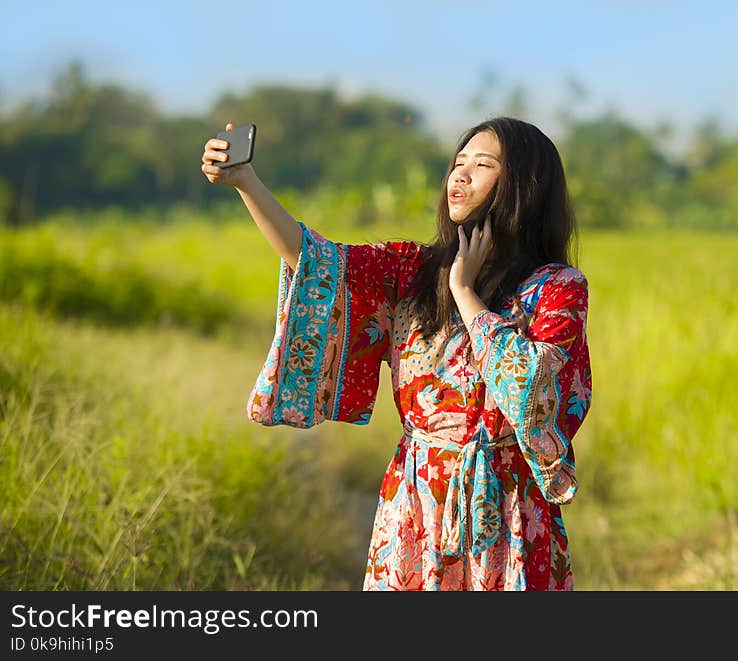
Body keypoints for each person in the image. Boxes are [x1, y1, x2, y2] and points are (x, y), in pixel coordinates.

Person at [201, 116, 592, 590]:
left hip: (511, 507)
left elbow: (530, 391)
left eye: (483, 164)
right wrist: (245, 182)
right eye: (458, 163)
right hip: (417, 501)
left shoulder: (557, 289)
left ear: (524, 187)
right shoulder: (410, 270)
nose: (460, 176)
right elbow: (315, 261)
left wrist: (465, 294)